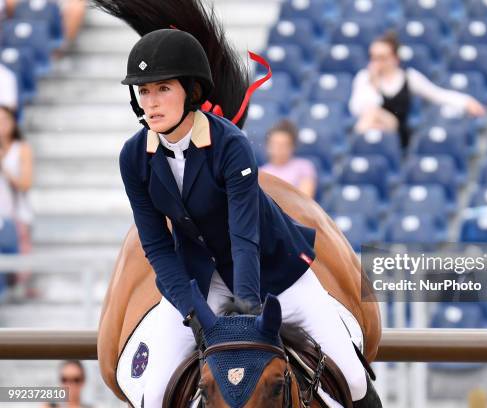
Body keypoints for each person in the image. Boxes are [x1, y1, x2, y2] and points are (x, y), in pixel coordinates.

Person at [105, 1, 382, 404]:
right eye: (144, 91)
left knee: (354, 383)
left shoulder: (230, 144)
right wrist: (194, 310)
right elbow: (157, 246)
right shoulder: (133, 157)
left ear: (192, 91)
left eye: (163, 89)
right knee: (154, 393)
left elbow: (244, 234)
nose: (151, 102)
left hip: (275, 275)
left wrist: (249, 307)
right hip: (200, 282)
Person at [349, 31, 487, 149]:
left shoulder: (408, 77)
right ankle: (360, 148)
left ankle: (356, 146)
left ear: (395, 58)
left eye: (382, 58)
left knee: (373, 115)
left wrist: (466, 102)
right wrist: (373, 85)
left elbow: (437, 94)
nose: (376, 63)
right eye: (373, 57)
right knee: (371, 117)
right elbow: (357, 109)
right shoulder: (364, 78)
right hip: (371, 128)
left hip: (397, 133)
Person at [0, 106, 34, 296]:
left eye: (5, 120)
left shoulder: (21, 149)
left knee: (15, 266)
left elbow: (25, 183)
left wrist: (4, 167)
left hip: (16, 215)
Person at [260, 119, 317, 198]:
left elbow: (306, 199)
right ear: (268, 146)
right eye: (275, 144)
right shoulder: (261, 173)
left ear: (292, 146)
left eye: (284, 145)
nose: (279, 149)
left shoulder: (304, 166)